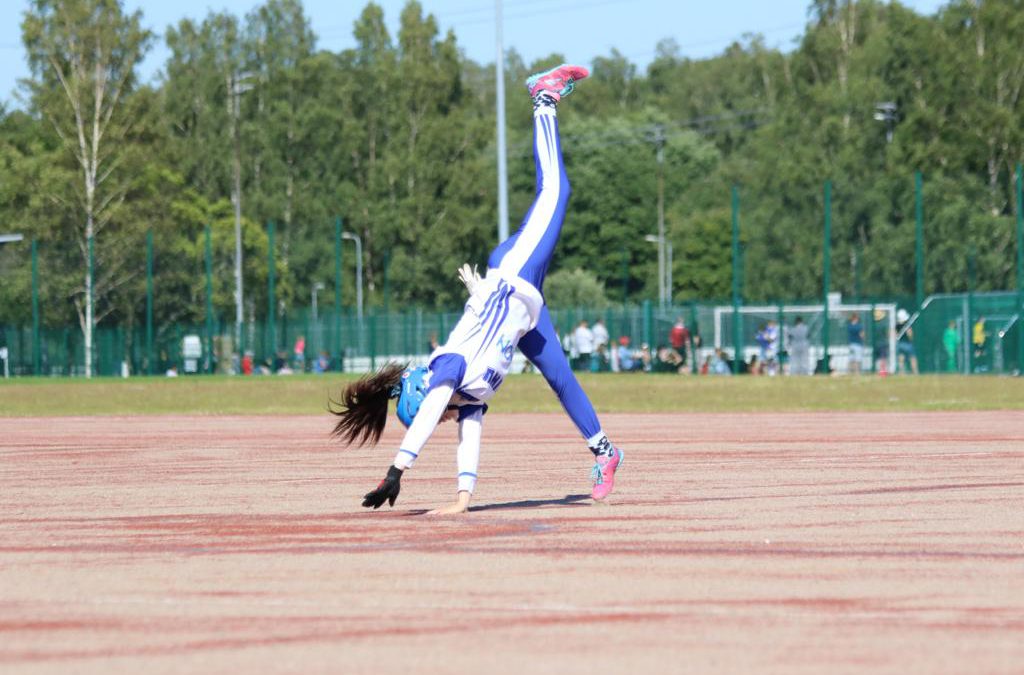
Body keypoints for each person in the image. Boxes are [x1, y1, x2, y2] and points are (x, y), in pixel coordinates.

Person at [329, 65, 623, 515]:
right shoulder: (469, 399)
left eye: (437, 407)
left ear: (424, 392)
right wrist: (462, 501)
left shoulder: (443, 369)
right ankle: (606, 452)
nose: (446, 415)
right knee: (560, 377)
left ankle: (544, 100)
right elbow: (470, 440)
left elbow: (429, 414)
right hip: (525, 310)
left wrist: (396, 471)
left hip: (512, 276)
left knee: (556, 192)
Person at [896, 308, 918, 374]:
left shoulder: (897, 325)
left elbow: (895, 334)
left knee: (901, 358)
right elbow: (910, 334)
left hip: (900, 344)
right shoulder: (907, 325)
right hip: (907, 343)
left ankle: (901, 372)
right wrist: (911, 339)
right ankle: (915, 371)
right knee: (912, 358)